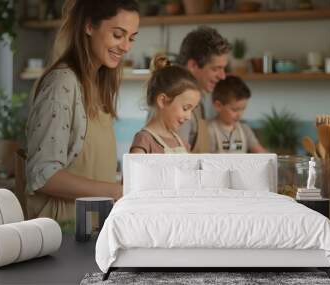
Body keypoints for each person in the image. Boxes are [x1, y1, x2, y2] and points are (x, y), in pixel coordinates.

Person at [25, 0, 140, 222]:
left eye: (131, 38)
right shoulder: (62, 84)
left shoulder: (98, 85)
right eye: (118, 34)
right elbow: (43, 175)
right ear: (89, 26)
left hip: (91, 229)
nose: (126, 46)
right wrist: (117, 191)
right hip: (63, 233)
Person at [130, 55, 201, 154]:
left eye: (192, 110)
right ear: (162, 101)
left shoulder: (182, 143)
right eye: (185, 108)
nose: (189, 117)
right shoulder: (144, 141)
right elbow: (134, 169)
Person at [176, 26, 231, 152]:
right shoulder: (178, 103)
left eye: (223, 68)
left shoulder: (197, 100)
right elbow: (177, 163)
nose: (222, 76)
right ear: (193, 65)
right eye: (215, 69)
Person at [207, 75, 267, 153]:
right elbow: (206, 159)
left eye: (243, 109)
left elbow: (261, 153)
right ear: (218, 106)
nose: (240, 114)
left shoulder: (245, 129)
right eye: (235, 110)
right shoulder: (209, 130)